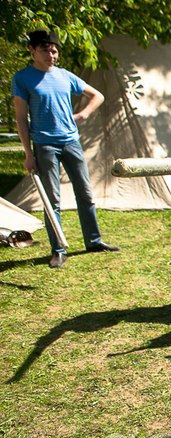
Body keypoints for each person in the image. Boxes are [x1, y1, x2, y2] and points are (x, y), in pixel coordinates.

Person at [12, 29, 119, 269]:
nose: (52, 54)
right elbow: (20, 118)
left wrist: (82, 115)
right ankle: (58, 249)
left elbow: (97, 96)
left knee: (86, 194)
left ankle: (94, 241)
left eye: (54, 50)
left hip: (71, 141)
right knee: (53, 200)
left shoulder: (65, 76)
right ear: (32, 50)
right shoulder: (22, 78)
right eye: (46, 50)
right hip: (44, 144)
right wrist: (28, 154)